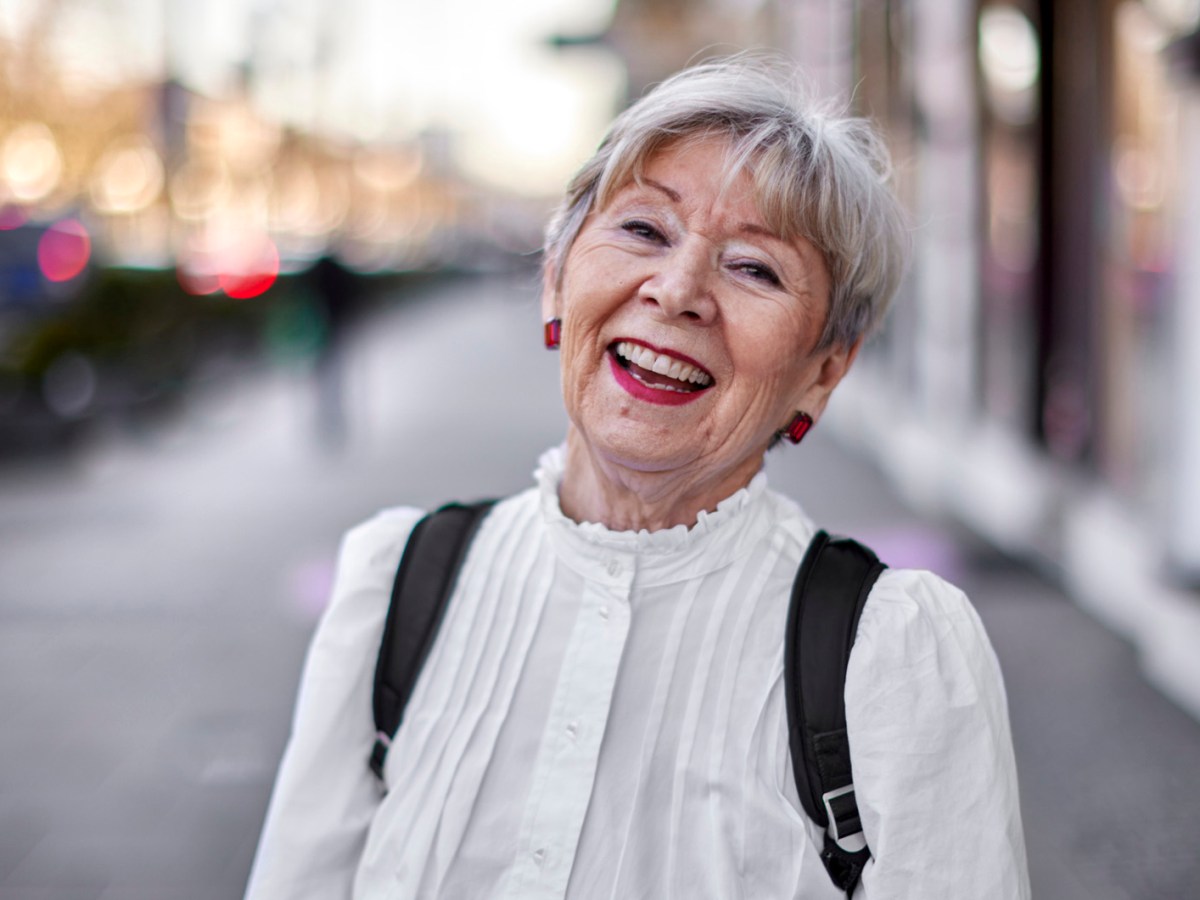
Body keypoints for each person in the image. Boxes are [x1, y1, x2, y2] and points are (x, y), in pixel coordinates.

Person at [245, 57, 1029, 899]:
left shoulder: (892, 653)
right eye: (645, 231)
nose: (679, 290)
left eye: (756, 269)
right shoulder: (394, 587)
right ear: (556, 279)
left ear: (822, 373)